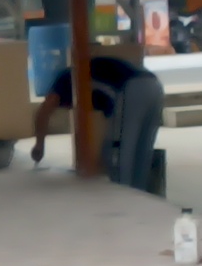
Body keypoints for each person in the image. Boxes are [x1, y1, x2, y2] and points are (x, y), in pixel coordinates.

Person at [29, 53, 162, 191]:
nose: (67, 109)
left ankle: (121, 194)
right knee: (141, 152)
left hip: (132, 87)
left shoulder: (64, 81)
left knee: (117, 152)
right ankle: (138, 194)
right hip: (154, 85)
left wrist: (39, 145)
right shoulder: (89, 83)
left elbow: (42, 113)